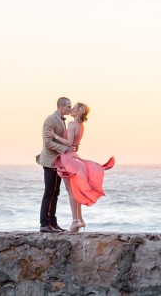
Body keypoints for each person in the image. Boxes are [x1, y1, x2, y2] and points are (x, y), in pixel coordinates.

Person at [45, 102, 115, 233]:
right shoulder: (80, 126)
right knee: (74, 190)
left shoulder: (72, 124)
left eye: (74, 108)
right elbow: (75, 143)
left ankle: (75, 221)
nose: (71, 109)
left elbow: (69, 142)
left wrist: (54, 136)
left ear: (78, 112)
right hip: (74, 156)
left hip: (68, 158)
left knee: (71, 191)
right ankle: (80, 219)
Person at [36, 97, 74, 232]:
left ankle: (53, 223)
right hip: (49, 161)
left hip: (58, 161)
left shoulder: (62, 121)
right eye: (68, 107)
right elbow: (47, 142)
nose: (70, 109)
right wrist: (64, 149)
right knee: (49, 192)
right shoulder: (50, 119)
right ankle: (44, 224)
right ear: (61, 107)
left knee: (56, 193)